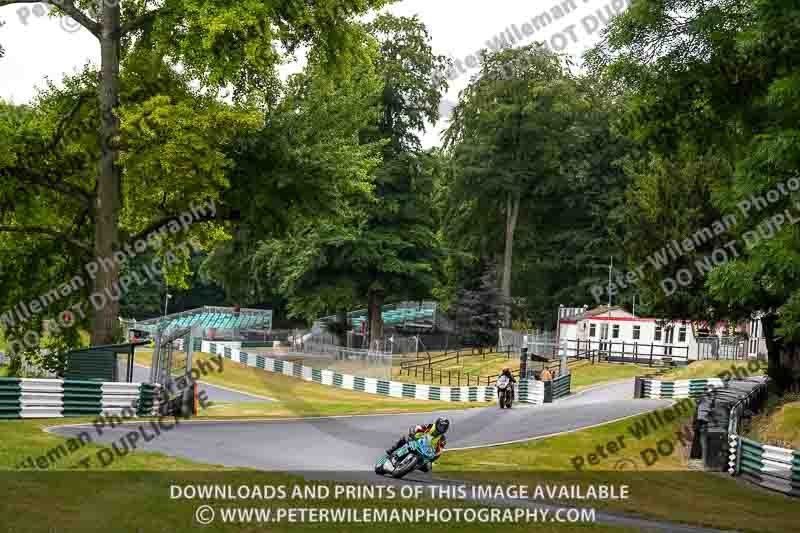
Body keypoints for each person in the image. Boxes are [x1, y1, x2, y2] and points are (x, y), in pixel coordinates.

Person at [385, 416, 450, 472]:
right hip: (416, 441)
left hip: (425, 451)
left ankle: (411, 466)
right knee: (404, 438)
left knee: (427, 468)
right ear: (436, 424)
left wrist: (432, 459)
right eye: (440, 426)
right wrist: (412, 436)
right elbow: (415, 428)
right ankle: (391, 450)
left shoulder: (442, 439)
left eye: (444, 427)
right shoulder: (429, 426)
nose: (441, 428)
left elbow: (439, 452)